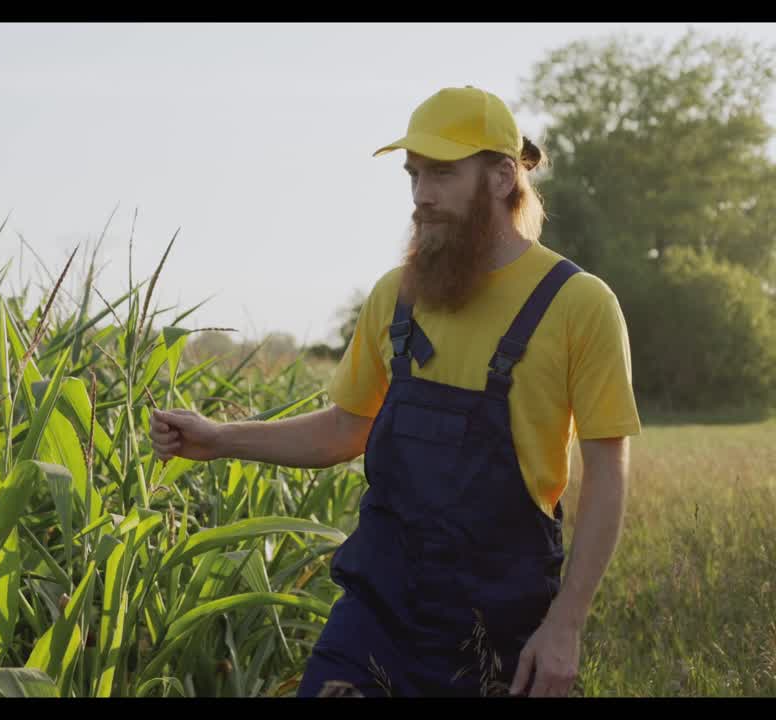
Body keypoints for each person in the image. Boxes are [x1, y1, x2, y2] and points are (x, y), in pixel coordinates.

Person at [147, 86, 641, 698]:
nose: (421, 196)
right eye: (413, 175)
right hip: (375, 614)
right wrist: (219, 438)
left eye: (442, 173)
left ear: (501, 177)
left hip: (496, 626)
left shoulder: (578, 303)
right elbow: (345, 429)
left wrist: (566, 624)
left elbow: (607, 474)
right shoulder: (397, 295)